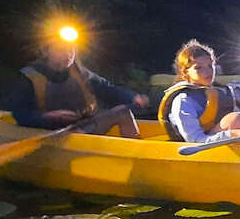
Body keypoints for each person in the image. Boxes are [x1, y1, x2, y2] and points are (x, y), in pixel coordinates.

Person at [9, 26, 147, 137]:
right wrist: (47, 117)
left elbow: (109, 90)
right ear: (47, 51)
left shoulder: (81, 73)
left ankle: (137, 156)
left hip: (83, 127)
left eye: (71, 50)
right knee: (74, 133)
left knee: (123, 111)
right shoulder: (29, 77)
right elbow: (21, 115)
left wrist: (133, 97)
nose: (68, 54)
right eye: (61, 50)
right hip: (51, 132)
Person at [159, 39, 240, 145]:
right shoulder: (183, 100)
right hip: (203, 144)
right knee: (236, 120)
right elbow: (194, 139)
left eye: (210, 66)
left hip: (223, 138)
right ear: (185, 72)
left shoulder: (222, 92)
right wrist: (232, 135)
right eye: (198, 68)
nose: (208, 71)